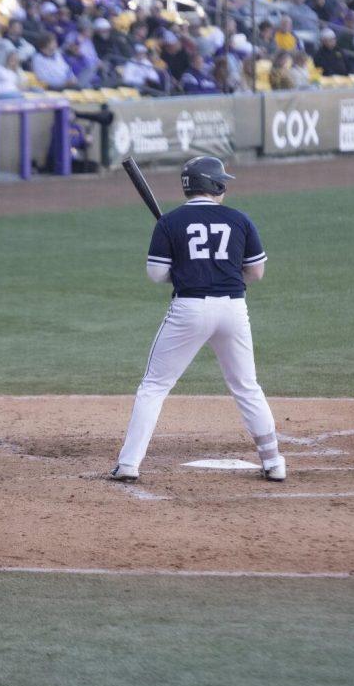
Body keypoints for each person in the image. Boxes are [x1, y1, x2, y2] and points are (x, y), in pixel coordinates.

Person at [111, 157, 285, 484]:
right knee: (246, 386)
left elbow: (156, 273)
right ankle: (274, 462)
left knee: (154, 386)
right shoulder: (239, 219)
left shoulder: (171, 223)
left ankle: (129, 464)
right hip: (234, 309)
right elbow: (256, 272)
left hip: (188, 310)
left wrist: (183, 267)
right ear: (215, 185)